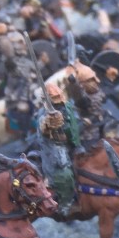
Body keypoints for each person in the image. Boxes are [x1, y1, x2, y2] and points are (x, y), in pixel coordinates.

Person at [36, 82, 80, 214]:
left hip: (70, 145)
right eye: (55, 101)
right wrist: (48, 123)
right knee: (64, 175)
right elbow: (43, 128)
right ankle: (64, 205)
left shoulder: (66, 108)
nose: (58, 104)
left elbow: (72, 124)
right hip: (55, 150)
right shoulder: (43, 115)